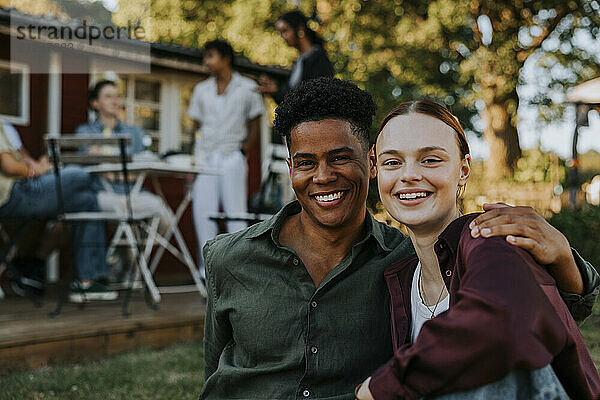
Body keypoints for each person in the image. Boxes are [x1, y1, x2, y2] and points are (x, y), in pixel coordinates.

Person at [199, 78, 599, 400]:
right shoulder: (229, 257)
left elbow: (529, 315)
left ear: (368, 163)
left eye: (340, 157)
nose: (322, 176)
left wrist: (565, 258)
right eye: (306, 163)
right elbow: (214, 369)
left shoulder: (426, 251)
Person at [355, 100, 600, 399]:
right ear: (375, 170)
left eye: (430, 160)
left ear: (464, 169)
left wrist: (380, 387)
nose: (408, 175)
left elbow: (502, 323)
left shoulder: (487, 237)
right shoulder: (400, 274)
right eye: (392, 162)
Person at [0, 121, 116, 302]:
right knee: (81, 173)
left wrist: (38, 166)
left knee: (86, 201)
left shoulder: (4, 125)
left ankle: (86, 282)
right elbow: (10, 166)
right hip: (12, 194)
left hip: (20, 190)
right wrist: (39, 170)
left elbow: (22, 159)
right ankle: (113, 196)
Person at [187, 39, 263, 279]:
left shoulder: (248, 88)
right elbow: (195, 126)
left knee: (235, 212)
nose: (206, 61)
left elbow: (255, 123)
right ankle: (207, 270)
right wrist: (194, 156)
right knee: (203, 211)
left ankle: (238, 269)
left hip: (232, 155)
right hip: (207, 158)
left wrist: (244, 151)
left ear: (226, 58)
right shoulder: (201, 90)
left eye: (210, 56)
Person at [75, 80, 173, 237]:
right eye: (108, 96)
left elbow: (142, 164)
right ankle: (133, 256)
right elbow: (91, 166)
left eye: (117, 96)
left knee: (165, 217)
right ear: (95, 103)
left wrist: (112, 170)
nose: (115, 101)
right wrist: (124, 172)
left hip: (135, 193)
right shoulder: (85, 131)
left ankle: (139, 254)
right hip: (102, 193)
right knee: (126, 225)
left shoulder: (134, 132)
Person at [258, 10, 334, 103]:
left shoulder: (318, 59)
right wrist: (275, 91)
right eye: (281, 33)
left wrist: (277, 92)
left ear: (300, 29)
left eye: (285, 31)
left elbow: (312, 97)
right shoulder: (299, 61)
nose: (283, 37)